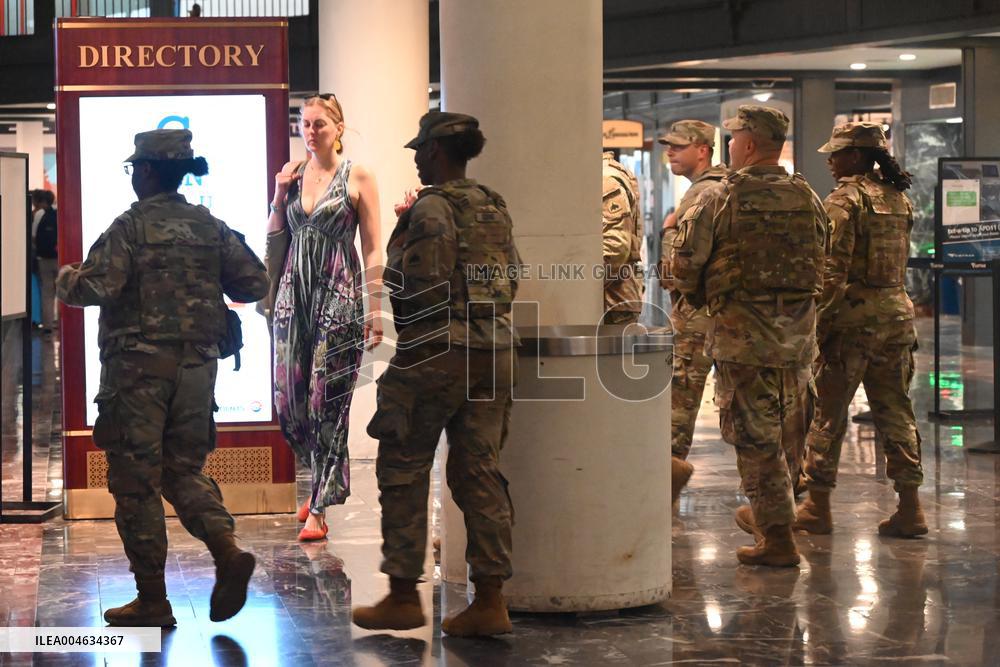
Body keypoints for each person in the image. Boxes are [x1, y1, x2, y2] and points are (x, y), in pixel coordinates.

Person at [56, 129, 269, 625]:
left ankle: (153, 599)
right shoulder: (210, 226)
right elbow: (254, 280)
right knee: (182, 471)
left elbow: (94, 286)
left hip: (138, 375)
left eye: (135, 169)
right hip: (198, 370)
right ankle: (225, 548)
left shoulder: (130, 226)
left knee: (137, 484)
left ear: (148, 171)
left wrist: (66, 275)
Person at [352, 111, 521, 637]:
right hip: (493, 348)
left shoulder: (432, 208)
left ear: (438, 152)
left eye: (421, 150)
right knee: (479, 472)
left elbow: (418, 282)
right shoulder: (492, 204)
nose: (417, 158)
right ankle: (491, 601)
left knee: (402, 465)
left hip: (437, 351)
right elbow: (511, 276)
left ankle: (403, 595)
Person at [670, 105, 827, 567]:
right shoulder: (809, 197)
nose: (731, 147)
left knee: (755, 439)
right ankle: (776, 517)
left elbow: (685, 268)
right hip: (798, 340)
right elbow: (825, 261)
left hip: (743, 338)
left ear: (749, 143)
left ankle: (777, 538)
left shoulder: (719, 198)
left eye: (734, 139)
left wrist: (705, 298)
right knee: (789, 434)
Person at [793, 122, 926, 538]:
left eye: (836, 153)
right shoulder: (898, 199)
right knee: (896, 411)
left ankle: (816, 505)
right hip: (895, 316)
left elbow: (832, 272)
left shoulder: (845, 201)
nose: (830, 160)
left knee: (827, 414)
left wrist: (817, 329)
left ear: (855, 155)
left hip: (851, 322)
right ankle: (910, 507)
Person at [264, 94, 383, 542]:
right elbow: (276, 234)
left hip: (340, 293)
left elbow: (373, 245)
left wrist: (375, 308)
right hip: (294, 296)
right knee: (289, 402)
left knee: (327, 400)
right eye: (304, 124)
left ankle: (320, 503)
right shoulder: (292, 177)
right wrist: (278, 194)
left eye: (319, 125)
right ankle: (317, 477)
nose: (310, 132)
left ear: (339, 127)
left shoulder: (359, 175)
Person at [657, 120, 728, 503]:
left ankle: (669, 474)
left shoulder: (701, 195)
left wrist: (669, 231)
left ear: (703, 150)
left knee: (680, 397)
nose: (670, 152)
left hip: (698, 313)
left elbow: (679, 272)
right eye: (668, 146)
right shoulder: (731, 187)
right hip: (732, 313)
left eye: (679, 147)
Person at [602, 151, 643, 324]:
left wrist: (582, 287)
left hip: (612, 301)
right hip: (610, 299)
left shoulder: (605, 179)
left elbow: (615, 248)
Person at [31, 189, 59, 333]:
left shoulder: (39, 215)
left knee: (47, 293)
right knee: (63, 290)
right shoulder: (58, 213)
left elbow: (34, 236)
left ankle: (47, 325)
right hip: (59, 258)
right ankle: (61, 322)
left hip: (43, 260)